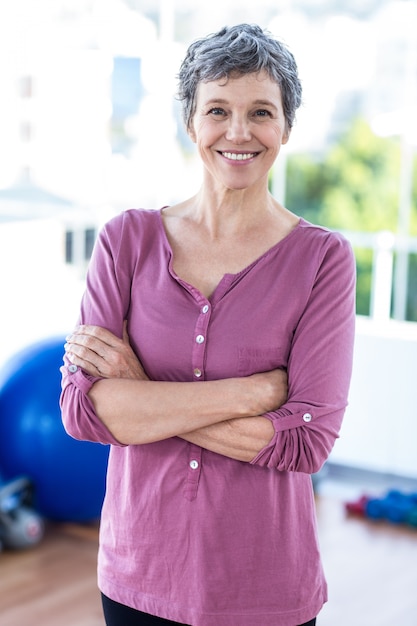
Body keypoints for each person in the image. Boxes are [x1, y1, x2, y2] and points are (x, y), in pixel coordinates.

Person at [61, 23, 356, 626]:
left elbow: (306, 442)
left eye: (261, 112)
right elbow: (85, 411)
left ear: (286, 128)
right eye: (217, 109)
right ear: (191, 123)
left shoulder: (324, 260)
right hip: (137, 578)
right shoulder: (126, 241)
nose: (238, 132)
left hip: (266, 586)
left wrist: (143, 395)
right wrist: (253, 394)